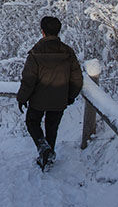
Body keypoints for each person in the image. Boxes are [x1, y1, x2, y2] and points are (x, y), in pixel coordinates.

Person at [16, 16, 83, 170]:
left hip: (38, 100)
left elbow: (29, 79)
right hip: (59, 100)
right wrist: (70, 96)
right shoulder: (68, 52)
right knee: (52, 127)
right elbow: (77, 78)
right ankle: (47, 158)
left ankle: (44, 149)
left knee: (32, 122)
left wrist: (22, 98)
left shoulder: (36, 52)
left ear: (43, 32)